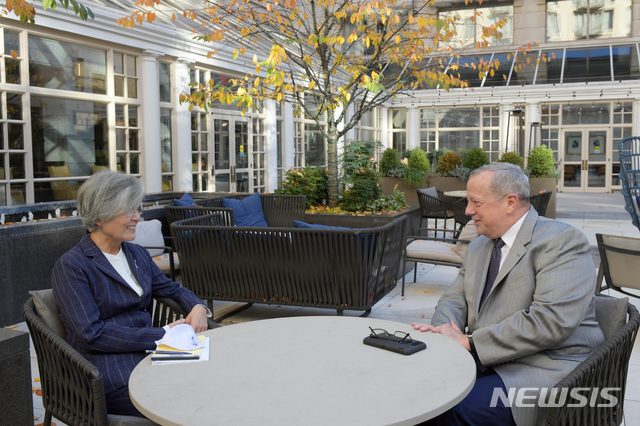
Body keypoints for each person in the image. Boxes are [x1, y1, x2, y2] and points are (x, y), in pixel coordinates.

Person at [412, 163, 605, 426]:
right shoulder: (479, 245)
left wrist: (470, 343)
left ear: (510, 202)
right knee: (417, 393)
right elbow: (454, 298)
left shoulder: (562, 241)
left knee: (455, 410)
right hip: (491, 361)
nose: (468, 211)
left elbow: (551, 321)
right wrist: (445, 333)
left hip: (546, 369)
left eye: (475, 202)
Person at [52, 171, 214, 417]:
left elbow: (173, 289)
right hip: (105, 372)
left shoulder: (135, 253)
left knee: (214, 381)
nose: (138, 217)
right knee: (192, 401)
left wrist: (199, 307)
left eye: (137, 208)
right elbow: (92, 334)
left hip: (150, 357)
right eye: (127, 210)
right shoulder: (72, 265)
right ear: (99, 217)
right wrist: (162, 335)